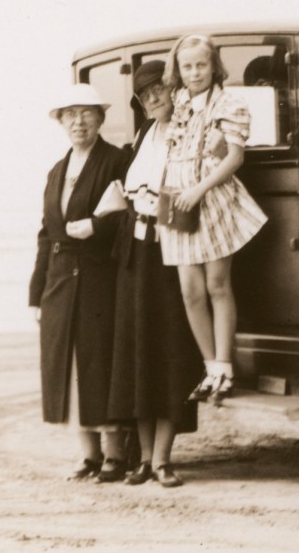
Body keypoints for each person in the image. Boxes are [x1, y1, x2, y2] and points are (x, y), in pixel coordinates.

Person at [106, 61, 205, 488]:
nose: (152, 100)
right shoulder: (144, 135)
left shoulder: (185, 132)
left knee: (169, 353)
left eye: (158, 91)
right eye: (144, 96)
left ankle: (163, 459)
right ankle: (145, 460)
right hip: (136, 253)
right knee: (137, 355)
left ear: (173, 91)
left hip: (170, 249)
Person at [28, 83, 130, 482]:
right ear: (61, 122)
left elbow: (132, 213)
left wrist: (97, 227)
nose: (78, 121)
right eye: (69, 114)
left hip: (99, 277)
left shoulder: (117, 160)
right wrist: (36, 294)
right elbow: (45, 233)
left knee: (99, 362)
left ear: (101, 118)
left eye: (86, 112)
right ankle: (87, 455)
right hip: (59, 282)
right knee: (68, 367)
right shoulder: (57, 170)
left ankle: (115, 456)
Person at [159, 35, 267, 403]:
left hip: (211, 198)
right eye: (187, 66)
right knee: (190, 291)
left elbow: (234, 158)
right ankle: (210, 367)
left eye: (201, 65)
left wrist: (199, 189)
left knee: (217, 285)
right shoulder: (178, 103)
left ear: (214, 66)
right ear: (179, 70)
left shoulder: (229, 103)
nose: (194, 73)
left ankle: (225, 366)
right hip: (178, 200)